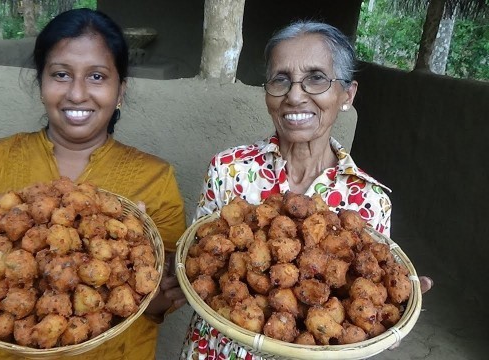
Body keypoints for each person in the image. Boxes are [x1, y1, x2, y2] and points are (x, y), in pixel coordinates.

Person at [0, 8, 187, 360]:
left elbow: (157, 305)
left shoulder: (155, 176)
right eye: (60, 74)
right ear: (40, 83)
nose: (77, 93)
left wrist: (156, 281)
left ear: (120, 91)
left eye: (97, 77)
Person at [179, 21, 433, 359]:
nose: (295, 95)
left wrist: (386, 323)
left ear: (347, 95)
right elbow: (196, 260)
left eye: (316, 78)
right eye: (280, 79)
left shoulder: (371, 199)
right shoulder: (229, 169)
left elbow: (367, 301)